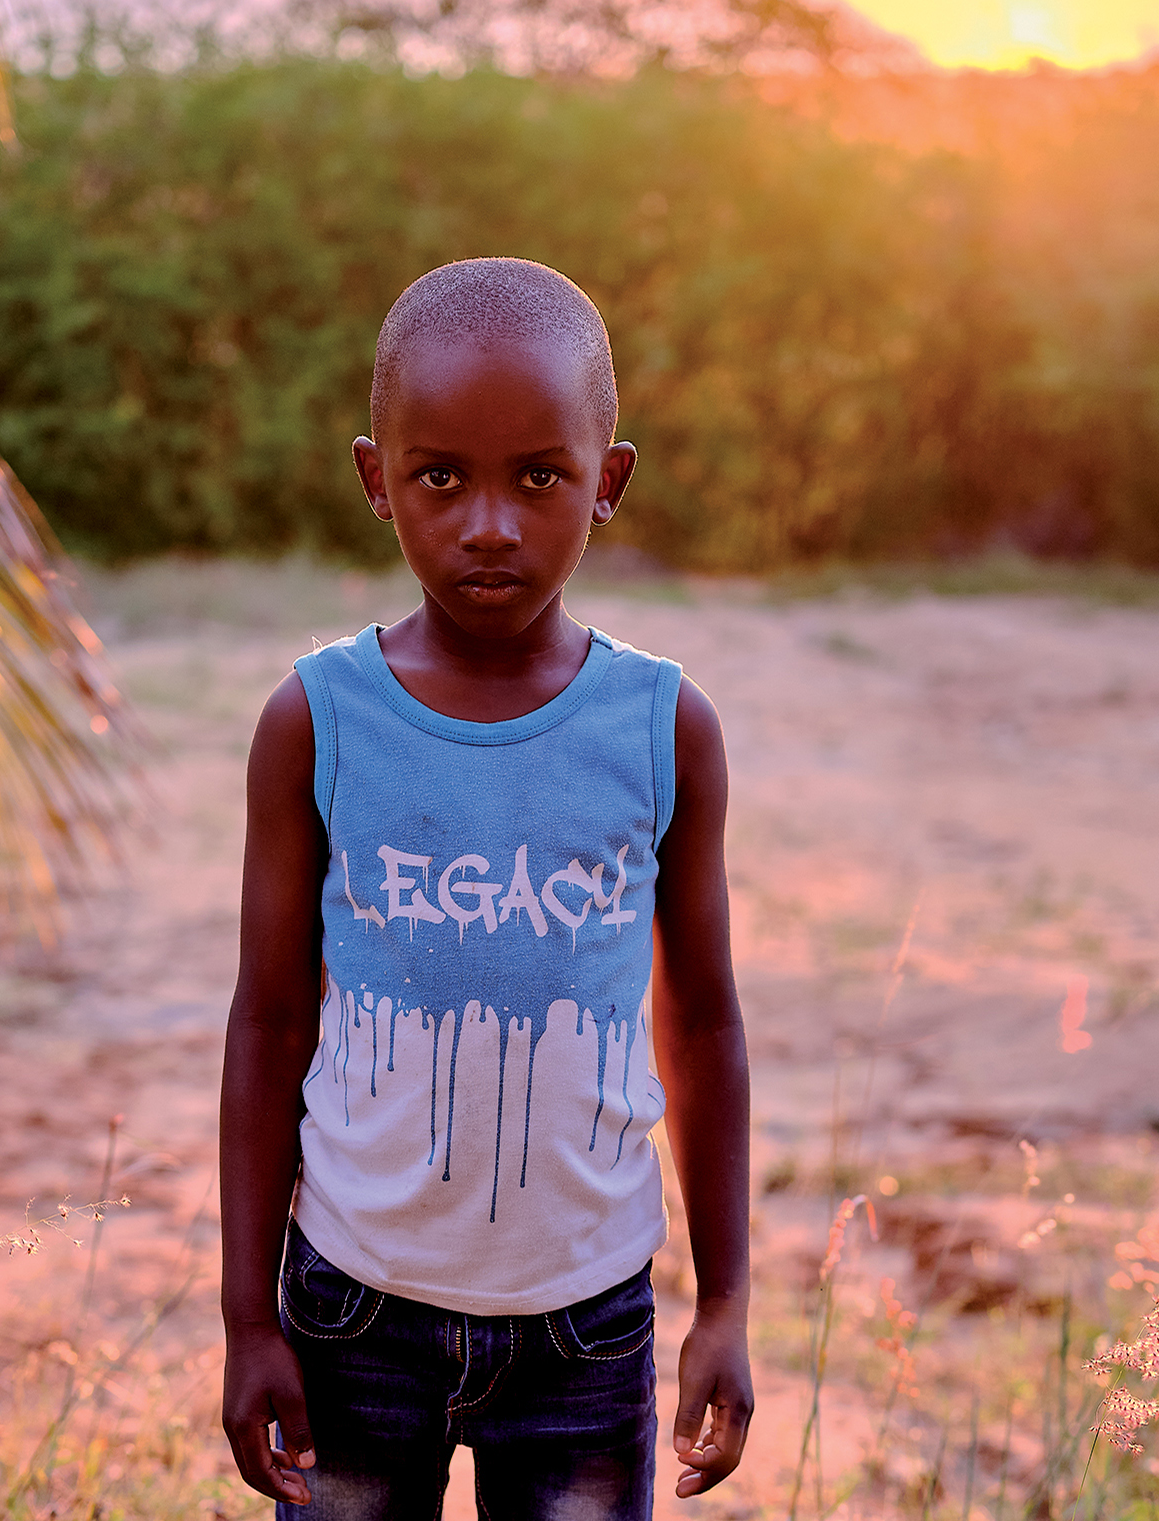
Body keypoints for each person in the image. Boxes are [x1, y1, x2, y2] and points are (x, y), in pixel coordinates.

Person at [219, 256, 753, 1520]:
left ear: (606, 483)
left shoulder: (663, 727)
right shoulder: (318, 719)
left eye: (540, 477)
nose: (491, 525)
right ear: (375, 481)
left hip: (587, 1328)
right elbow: (266, 1022)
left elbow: (704, 1020)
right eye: (441, 478)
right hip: (351, 1314)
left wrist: (724, 1299)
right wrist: (249, 1319)